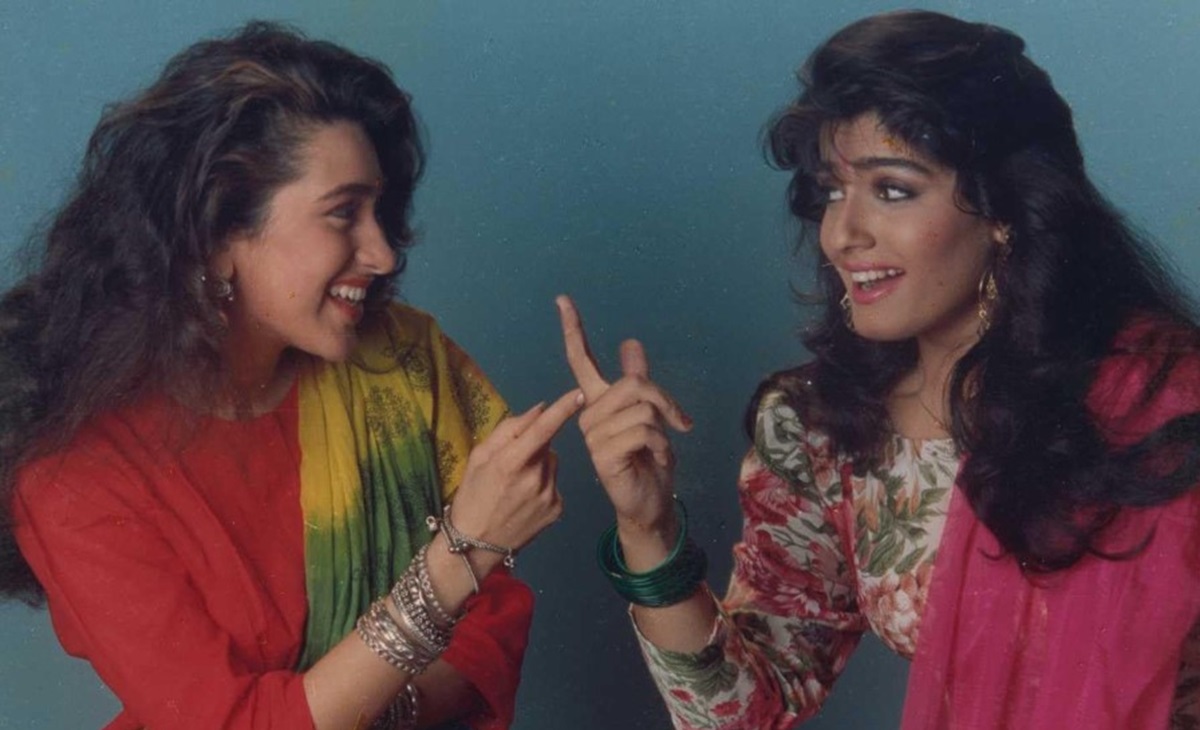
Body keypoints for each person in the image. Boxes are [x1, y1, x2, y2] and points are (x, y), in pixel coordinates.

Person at [557, 10, 1200, 730]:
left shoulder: (1161, 409)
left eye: (892, 189)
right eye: (833, 190)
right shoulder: (824, 431)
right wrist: (647, 533)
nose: (841, 234)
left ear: (1005, 211)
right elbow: (742, 714)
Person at [0, 22, 580, 730]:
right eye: (343, 213)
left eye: (379, 210)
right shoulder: (75, 474)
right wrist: (455, 556)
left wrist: (376, 709)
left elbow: (491, 614)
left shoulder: (401, 365)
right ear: (217, 235)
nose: (383, 252)